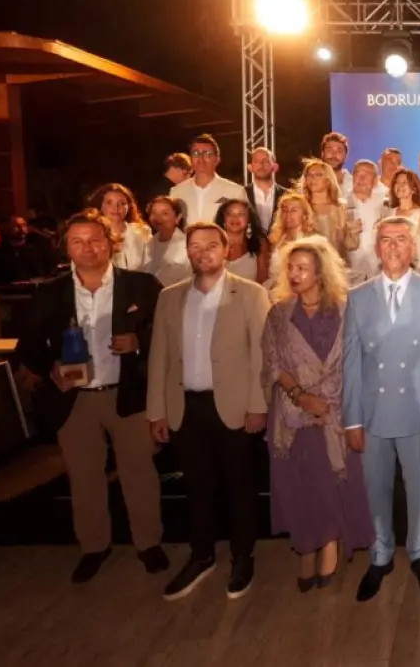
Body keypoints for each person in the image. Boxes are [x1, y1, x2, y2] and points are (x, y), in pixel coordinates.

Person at [16, 209, 167, 583]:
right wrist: (51, 368)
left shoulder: (142, 286)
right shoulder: (50, 293)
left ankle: (149, 543)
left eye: (95, 240)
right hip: (74, 400)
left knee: (139, 474)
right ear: (66, 247)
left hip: (129, 396)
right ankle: (94, 547)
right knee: (84, 477)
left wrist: (139, 341)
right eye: (78, 241)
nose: (87, 248)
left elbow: (168, 334)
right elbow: (28, 347)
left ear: (111, 244)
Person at [146, 222, 271, 601]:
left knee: (239, 488)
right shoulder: (169, 297)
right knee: (197, 488)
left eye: (211, 245)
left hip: (235, 407)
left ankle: (242, 557)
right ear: (187, 252)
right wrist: (156, 411)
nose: (203, 252)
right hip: (186, 408)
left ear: (226, 249)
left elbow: (262, 356)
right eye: (195, 246)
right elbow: (159, 357)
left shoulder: (251, 294)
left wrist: (258, 405)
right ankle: (201, 556)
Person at [341, 216, 420, 602]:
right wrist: (352, 419)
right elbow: (351, 363)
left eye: (401, 239)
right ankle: (381, 554)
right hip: (372, 413)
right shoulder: (358, 297)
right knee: (375, 488)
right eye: (385, 239)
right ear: (376, 248)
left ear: (413, 247)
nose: (392, 246)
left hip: (418, 411)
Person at [262, 237, 374, 592]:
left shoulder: (346, 310)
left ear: (321, 273)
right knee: (299, 485)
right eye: (290, 268)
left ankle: (328, 542)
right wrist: (301, 396)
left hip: (336, 413)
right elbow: (272, 363)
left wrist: (329, 400)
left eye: (302, 268)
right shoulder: (279, 313)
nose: (294, 274)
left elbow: (359, 361)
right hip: (293, 415)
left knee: (330, 482)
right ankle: (306, 545)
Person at [169, 133, 248, 224]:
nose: (201, 159)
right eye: (196, 153)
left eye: (207, 154)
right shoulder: (176, 192)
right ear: (191, 159)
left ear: (217, 159)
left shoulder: (235, 192)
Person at [299, 158, 359, 261]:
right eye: (309, 175)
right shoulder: (300, 206)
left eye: (318, 175)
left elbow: (352, 245)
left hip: (338, 264)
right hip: (308, 263)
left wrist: (349, 231)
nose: (312, 179)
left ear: (328, 180)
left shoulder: (341, 207)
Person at [89, 183, 152, 271]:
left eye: (122, 203)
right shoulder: (91, 233)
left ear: (129, 206)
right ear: (101, 206)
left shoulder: (141, 231)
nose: (116, 208)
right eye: (109, 203)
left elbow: (152, 265)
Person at [387, 168, 420, 274]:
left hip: (417, 270)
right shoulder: (390, 213)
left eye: (404, 183)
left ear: (414, 189)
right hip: (394, 268)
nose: (400, 186)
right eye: (397, 182)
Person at [265, 192, 315, 292]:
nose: (288, 214)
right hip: (273, 290)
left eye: (294, 210)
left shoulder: (310, 242)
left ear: (304, 215)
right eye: (285, 210)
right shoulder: (275, 239)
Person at [215, 199, 271, 284]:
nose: (235, 218)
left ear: (249, 219)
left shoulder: (260, 243)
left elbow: (262, 281)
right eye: (230, 213)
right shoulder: (212, 244)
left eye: (241, 214)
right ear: (223, 218)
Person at [143, 196, 190, 288]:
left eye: (165, 213)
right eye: (154, 213)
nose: (158, 218)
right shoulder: (149, 243)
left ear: (177, 218)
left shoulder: (186, 244)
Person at [245, 147, 288, 232]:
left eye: (266, 161)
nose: (261, 164)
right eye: (256, 161)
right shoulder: (242, 194)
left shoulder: (287, 195)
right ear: (250, 167)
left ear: (275, 167)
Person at [321, 131, 354, 201]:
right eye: (329, 150)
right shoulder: (309, 183)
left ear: (346, 156)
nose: (333, 154)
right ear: (322, 153)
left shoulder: (354, 185)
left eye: (339, 151)